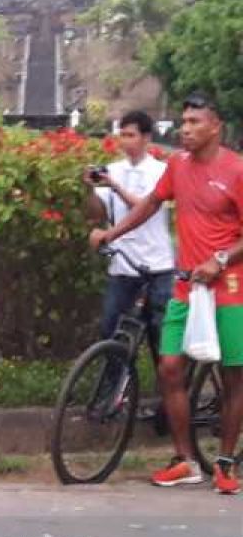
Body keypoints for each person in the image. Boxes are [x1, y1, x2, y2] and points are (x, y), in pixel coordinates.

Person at [91, 93, 243, 495]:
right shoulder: (177, 165)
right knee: (170, 367)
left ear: (215, 127)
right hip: (185, 285)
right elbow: (150, 205)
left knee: (233, 377)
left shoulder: (236, 170)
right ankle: (185, 460)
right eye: (184, 122)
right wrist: (112, 232)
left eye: (194, 122)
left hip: (229, 288)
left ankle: (225, 463)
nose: (185, 129)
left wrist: (222, 258)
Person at [83, 111, 174, 369]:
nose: (125, 140)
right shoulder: (113, 170)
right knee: (110, 331)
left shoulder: (161, 171)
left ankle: (167, 401)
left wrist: (115, 187)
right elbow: (95, 213)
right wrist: (89, 188)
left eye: (131, 135)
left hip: (158, 265)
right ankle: (112, 397)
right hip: (123, 264)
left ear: (146, 138)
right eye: (121, 134)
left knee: (160, 338)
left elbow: (145, 207)